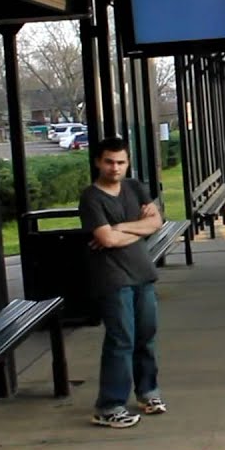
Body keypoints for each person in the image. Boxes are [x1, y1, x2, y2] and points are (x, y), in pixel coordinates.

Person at [78, 137, 167, 428]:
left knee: (146, 335)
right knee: (121, 340)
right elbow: (106, 240)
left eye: (120, 162)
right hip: (113, 278)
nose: (115, 168)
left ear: (127, 163)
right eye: (109, 162)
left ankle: (147, 392)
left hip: (142, 273)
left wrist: (120, 227)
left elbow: (156, 222)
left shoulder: (134, 187)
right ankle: (109, 406)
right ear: (98, 162)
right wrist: (136, 230)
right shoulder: (91, 198)